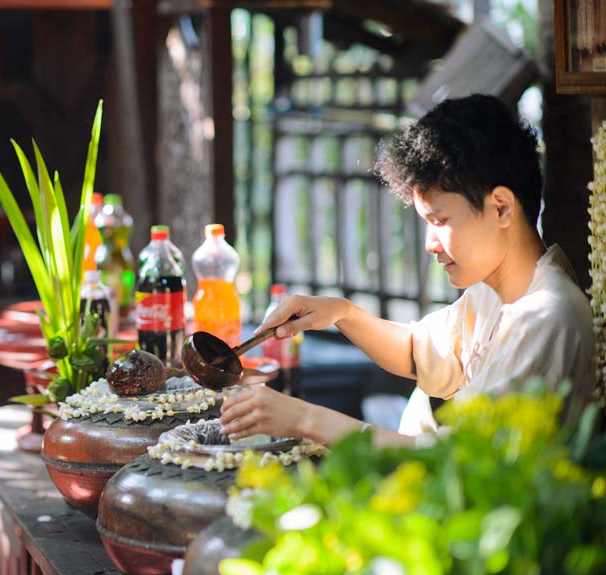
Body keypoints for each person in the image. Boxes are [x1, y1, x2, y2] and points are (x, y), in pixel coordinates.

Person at [221, 94, 594, 449]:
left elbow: (457, 460)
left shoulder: (547, 317)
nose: (430, 244)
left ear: (501, 208)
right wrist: (341, 313)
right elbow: (420, 351)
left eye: (440, 220)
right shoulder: (495, 293)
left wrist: (305, 419)